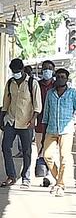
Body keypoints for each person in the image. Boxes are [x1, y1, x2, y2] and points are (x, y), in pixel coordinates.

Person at [42, 68, 76, 197]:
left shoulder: (73, 93)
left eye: (63, 77)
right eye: (58, 76)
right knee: (47, 156)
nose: (60, 79)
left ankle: (60, 185)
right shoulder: (50, 93)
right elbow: (46, 113)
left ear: (67, 79)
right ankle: (60, 180)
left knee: (64, 158)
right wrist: (43, 132)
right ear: (55, 78)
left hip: (66, 131)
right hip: (51, 129)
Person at [1, 58, 41, 187]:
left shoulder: (32, 83)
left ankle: (26, 177)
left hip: (26, 122)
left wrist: (34, 119)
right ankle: (11, 175)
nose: (16, 73)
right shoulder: (10, 83)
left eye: (17, 71)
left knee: (26, 151)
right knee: (5, 147)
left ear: (23, 69)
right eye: (13, 71)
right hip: (11, 121)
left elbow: (37, 104)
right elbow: (6, 102)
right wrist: (2, 118)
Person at [34, 60, 56, 187]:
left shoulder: (56, 86)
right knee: (40, 150)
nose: (47, 70)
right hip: (39, 124)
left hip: (53, 124)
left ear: (53, 71)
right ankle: (44, 174)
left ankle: (49, 176)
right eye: (45, 68)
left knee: (51, 152)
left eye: (49, 68)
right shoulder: (36, 85)